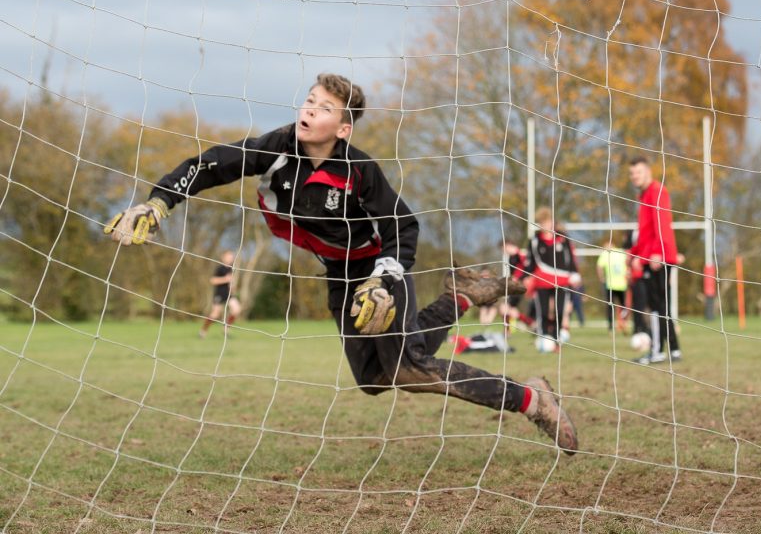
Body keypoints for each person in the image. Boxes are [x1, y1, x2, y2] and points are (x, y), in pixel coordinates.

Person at [105, 73, 578, 454]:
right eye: (309, 100)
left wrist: (384, 278)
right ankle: (463, 296)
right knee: (374, 380)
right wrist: (157, 204)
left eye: (324, 107)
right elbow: (210, 164)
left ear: (344, 128)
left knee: (409, 370)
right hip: (339, 274)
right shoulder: (274, 150)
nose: (310, 109)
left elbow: (405, 226)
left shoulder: (361, 170)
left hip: (380, 271)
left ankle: (533, 401)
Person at [628, 157, 681, 364]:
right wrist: (633, 254)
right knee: (662, 304)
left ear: (648, 172)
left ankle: (657, 351)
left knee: (656, 306)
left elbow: (662, 222)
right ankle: (675, 350)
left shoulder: (657, 191)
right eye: (632, 174)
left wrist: (657, 252)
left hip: (658, 257)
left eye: (638, 172)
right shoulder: (643, 195)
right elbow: (645, 232)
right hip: (649, 255)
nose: (634, 177)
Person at [516, 208, 580, 348]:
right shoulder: (535, 240)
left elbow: (571, 258)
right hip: (542, 282)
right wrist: (524, 277)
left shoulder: (563, 238)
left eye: (548, 221)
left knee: (560, 310)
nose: (546, 225)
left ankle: (556, 337)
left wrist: (575, 273)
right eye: (543, 222)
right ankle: (544, 336)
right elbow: (530, 261)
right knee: (543, 311)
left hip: (562, 281)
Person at [199, 250, 242, 338]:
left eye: (232, 257)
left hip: (228, 294)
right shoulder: (219, 268)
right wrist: (225, 279)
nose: (231, 258)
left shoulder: (230, 268)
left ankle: (226, 327)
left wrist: (233, 288)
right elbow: (213, 281)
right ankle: (203, 331)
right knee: (215, 314)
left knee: (237, 309)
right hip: (219, 294)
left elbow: (230, 282)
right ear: (223, 258)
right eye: (229, 257)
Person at [596, 236, 629, 333]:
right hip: (618, 284)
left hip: (613, 284)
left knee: (612, 307)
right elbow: (627, 263)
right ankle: (619, 325)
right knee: (621, 307)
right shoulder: (621, 252)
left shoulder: (606, 253)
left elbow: (599, 266)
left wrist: (601, 278)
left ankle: (615, 327)